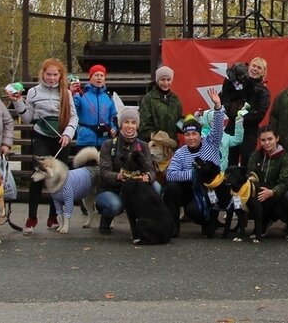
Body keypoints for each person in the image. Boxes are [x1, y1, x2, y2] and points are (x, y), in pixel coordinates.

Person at [9, 58, 77, 234]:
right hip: (41, 136)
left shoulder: (66, 93)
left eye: (55, 75)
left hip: (61, 139)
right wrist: (18, 102)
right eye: (48, 74)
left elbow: (73, 117)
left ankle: (53, 216)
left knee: (58, 178)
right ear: (42, 74)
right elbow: (27, 118)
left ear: (60, 75)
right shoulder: (33, 92)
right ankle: (31, 218)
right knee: (39, 175)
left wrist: (68, 134)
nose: (52, 78)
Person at [163, 88, 226, 237]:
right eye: (187, 134)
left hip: (210, 188)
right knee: (171, 188)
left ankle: (209, 221)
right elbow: (170, 174)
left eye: (194, 134)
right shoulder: (181, 152)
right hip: (191, 188)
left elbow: (218, 128)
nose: (191, 138)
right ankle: (173, 226)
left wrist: (218, 106)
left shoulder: (211, 142)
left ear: (200, 134)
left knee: (199, 211)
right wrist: (193, 174)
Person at [94, 107, 156, 235]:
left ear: (137, 126)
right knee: (115, 205)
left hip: (135, 188)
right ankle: (105, 221)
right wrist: (118, 176)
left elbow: (151, 170)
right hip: (111, 190)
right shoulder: (108, 145)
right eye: (126, 122)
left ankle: (147, 223)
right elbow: (104, 173)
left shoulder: (143, 146)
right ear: (121, 124)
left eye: (133, 123)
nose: (130, 126)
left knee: (156, 187)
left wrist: (148, 177)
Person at [246, 126, 288, 237]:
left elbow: (286, 182)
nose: (267, 143)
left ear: (277, 138)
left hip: (279, 197)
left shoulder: (287, 158)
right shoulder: (255, 156)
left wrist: (272, 192)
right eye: (263, 140)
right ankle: (262, 224)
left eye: (270, 139)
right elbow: (251, 175)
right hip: (261, 195)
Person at [221, 58, 270, 166]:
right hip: (232, 129)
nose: (255, 69)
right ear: (248, 67)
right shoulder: (236, 83)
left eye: (259, 68)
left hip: (249, 133)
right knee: (228, 162)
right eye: (254, 66)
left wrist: (240, 116)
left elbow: (259, 115)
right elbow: (225, 99)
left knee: (246, 164)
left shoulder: (263, 92)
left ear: (263, 72)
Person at [74, 64, 117, 151]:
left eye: (102, 75)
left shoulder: (108, 97)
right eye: (96, 75)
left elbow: (113, 116)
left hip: (104, 141)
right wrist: (71, 93)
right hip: (85, 140)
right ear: (90, 77)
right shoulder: (80, 95)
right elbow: (71, 110)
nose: (99, 78)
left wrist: (114, 128)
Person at [138, 66, 183, 141]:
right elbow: (144, 126)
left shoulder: (175, 99)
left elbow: (178, 121)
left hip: (172, 144)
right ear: (157, 80)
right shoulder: (148, 99)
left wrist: (187, 125)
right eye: (162, 79)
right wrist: (158, 138)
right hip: (154, 144)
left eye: (168, 80)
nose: (166, 83)